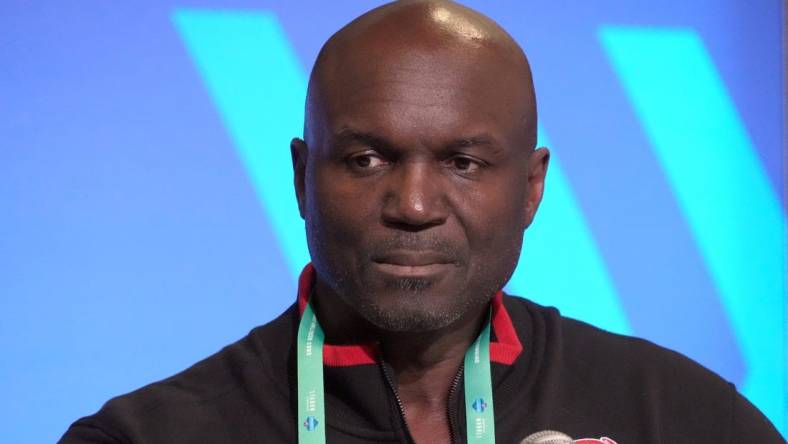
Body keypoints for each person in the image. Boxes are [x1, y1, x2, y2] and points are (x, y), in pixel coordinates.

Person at [60, 1, 783, 443]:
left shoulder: (683, 419)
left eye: (464, 163)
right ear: (302, 179)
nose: (413, 206)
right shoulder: (150, 436)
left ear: (531, 189)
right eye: (368, 159)